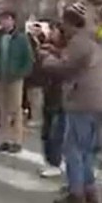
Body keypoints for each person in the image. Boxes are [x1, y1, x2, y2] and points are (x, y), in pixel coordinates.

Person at [38, 3, 102, 203]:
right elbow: (77, 63)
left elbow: (66, 68)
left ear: (71, 24)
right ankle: (89, 188)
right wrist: (58, 52)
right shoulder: (91, 40)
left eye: (64, 24)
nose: (62, 28)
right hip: (96, 100)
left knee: (73, 148)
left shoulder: (79, 42)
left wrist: (48, 58)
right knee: (85, 148)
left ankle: (76, 191)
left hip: (82, 99)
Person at [0, 8, 33, 153]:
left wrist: (20, 73)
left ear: (12, 21)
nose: (3, 22)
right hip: (0, 77)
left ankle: (17, 140)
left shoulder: (20, 37)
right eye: (2, 19)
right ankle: (4, 140)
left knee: (16, 109)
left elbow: (28, 59)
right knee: (3, 111)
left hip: (14, 78)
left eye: (6, 19)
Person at [37, 23, 66, 178]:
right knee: (47, 131)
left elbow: (63, 68)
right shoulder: (47, 47)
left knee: (55, 132)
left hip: (60, 95)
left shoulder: (66, 50)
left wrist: (51, 57)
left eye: (54, 30)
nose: (51, 33)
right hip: (49, 92)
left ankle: (55, 162)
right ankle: (51, 160)